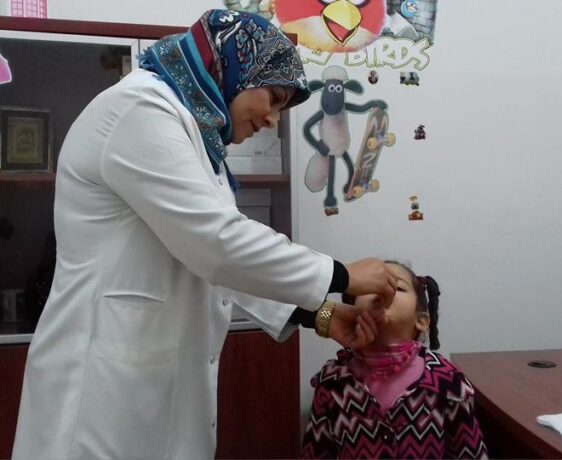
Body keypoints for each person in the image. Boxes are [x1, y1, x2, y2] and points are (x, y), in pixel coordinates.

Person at [12, 9, 398, 460]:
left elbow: (220, 264)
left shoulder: (198, 142)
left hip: (154, 388)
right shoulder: (141, 108)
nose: (272, 120)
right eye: (273, 98)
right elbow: (217, 245)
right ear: (232, 67)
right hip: (97, 395)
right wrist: (342, 275)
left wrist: (323, 316)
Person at [301, 261, 489, 459]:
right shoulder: (333, 381)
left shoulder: (447, 381)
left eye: (398, 287)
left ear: (421, 320)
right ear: (352, 309)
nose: (383, 291)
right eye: (369, 288)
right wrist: (323, 314)